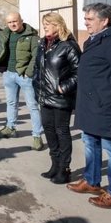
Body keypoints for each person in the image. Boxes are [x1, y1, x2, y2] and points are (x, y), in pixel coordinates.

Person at [67, 3, 111, 209]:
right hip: (92, 104)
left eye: (90, 19)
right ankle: (92, 181)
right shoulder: (95, 39)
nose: (85, 22)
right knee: (90, 142)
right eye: (86, 19)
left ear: (104, 20)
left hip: (108, 105)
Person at [33, 12, 81, 184]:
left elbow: (79, 72)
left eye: (48, 23)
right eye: (44, 23)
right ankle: (54, 164)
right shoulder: (43, 44)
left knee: (61, 131)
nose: (45, 26)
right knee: (48, 129)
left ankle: (64, 169)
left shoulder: (68, 45)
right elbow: (38, 68)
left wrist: (63, 87)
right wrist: (35, 84)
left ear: (58, 24)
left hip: (61, 98)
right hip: (44, 96)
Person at [0, 12, 45, 150]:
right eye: (9, 22)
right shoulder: (5, 34)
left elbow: (36, 56)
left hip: (25, 76)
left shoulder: (32, 36)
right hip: (9, 74)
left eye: (15, 21)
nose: (12, 25)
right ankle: (10, 128)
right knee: (11, 103)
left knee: (33, 106)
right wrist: (2, 67)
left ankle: (37, 136)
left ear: (21, 20)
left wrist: (28, 73)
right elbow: (1, 51)